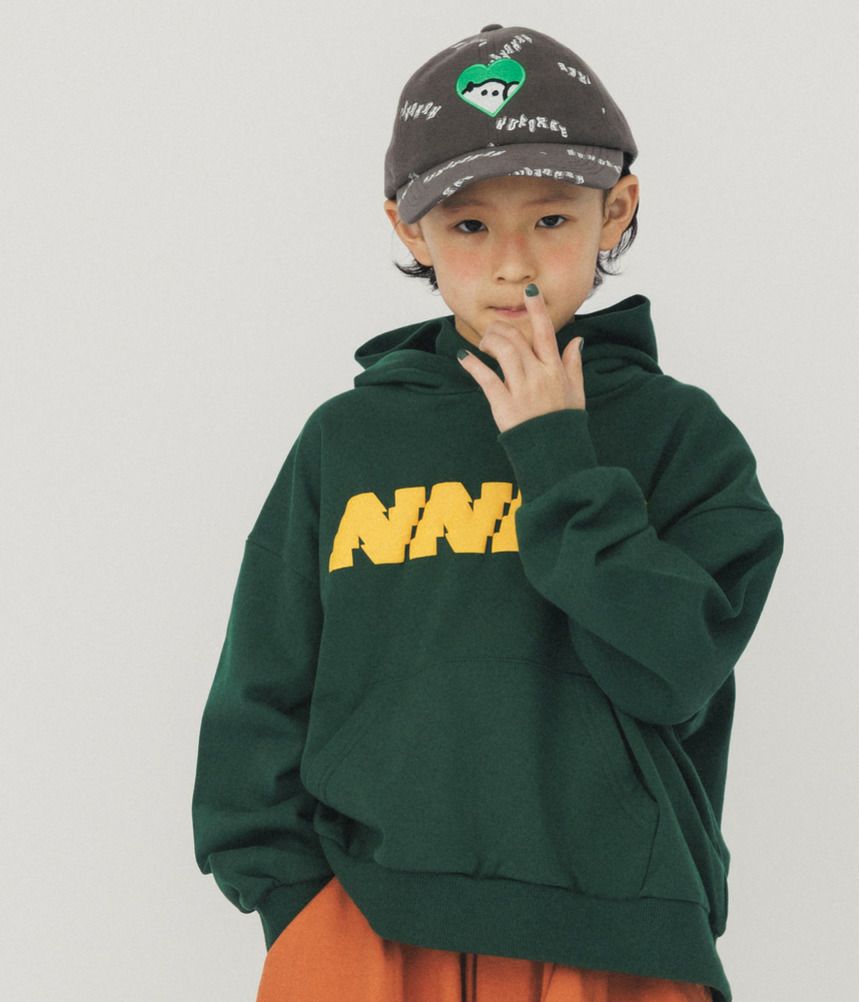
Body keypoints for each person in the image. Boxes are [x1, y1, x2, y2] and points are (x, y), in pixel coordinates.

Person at [191, 23, 784, 1002]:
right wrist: (295, 907)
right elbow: (261, 688)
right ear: (407, 229)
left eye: (551, 219)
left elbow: (672, 671)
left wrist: (557, 452)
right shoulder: (350, 440)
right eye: (470, 226)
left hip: (614, 933)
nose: (514, 263)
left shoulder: (681, 438)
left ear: (616, 209)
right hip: (368, 927)